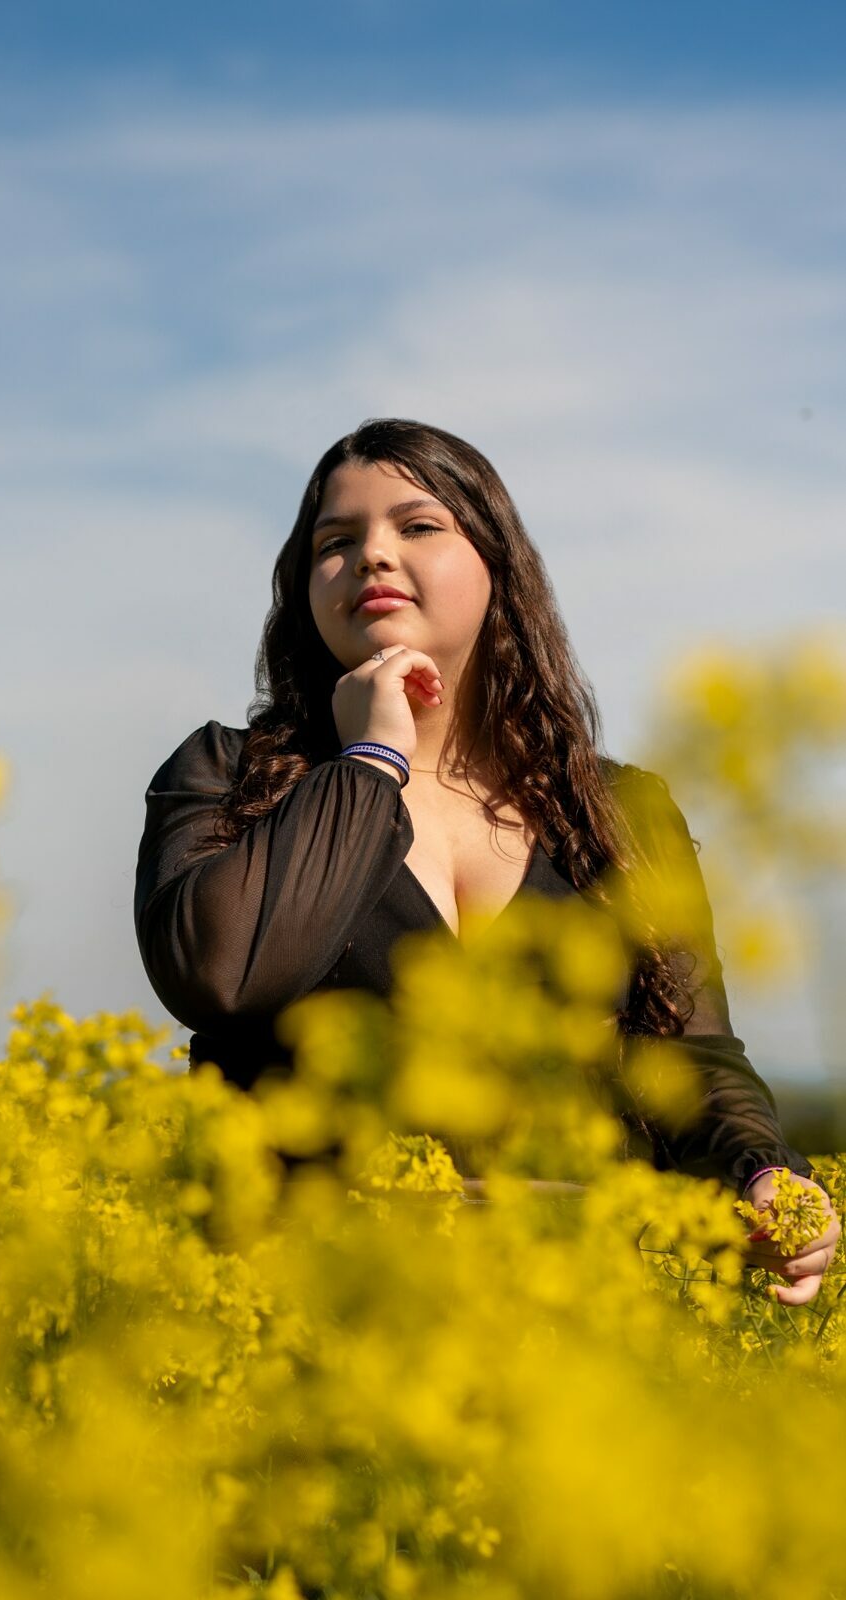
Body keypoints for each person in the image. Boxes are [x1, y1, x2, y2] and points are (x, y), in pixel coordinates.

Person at [135, 417, 840, 1306]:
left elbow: (691, 1059)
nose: (371, 556)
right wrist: (368, 764)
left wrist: (763, 1175)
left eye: (417, 526)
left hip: (579, 1325)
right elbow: (220, 974)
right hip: (309, 1318)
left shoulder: (616, 813)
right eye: (334, 542)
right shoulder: (228, 776)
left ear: (496, 565)